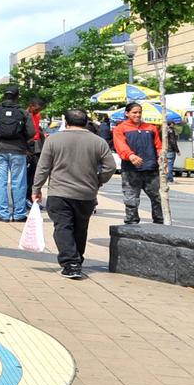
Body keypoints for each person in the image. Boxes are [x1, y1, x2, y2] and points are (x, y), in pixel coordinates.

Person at [33, 107, 120, 279]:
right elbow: (110, 166)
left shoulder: (53, 140)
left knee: (63, 227)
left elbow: (43, 167)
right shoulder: (98, 141)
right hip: (86, 193)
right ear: (86, 121)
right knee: (81, 228)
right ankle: (76, 260)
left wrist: (36, 188)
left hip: (59, 192)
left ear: (66, 121)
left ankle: (71, 263)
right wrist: (98, 180)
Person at [0, 87, 35, 222]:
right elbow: (32, 132)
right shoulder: (23, 113)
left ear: (4, 96)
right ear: (17, 96)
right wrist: (22, 140)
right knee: (18, 182)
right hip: (18, 151)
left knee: (0, 182)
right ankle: (19, 214)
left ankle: (3, 214)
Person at [111, 106, 165, 224]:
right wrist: (130, 155)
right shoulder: (120, 129)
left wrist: (161, 155)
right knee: (131, 198)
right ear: (127, 113)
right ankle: (132, 221)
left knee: (157, 197)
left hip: (151, 168)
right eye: (134, 112)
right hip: (131, 169)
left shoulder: (151, 128)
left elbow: (158, 145)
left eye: (139, 112)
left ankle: (159, 220)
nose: (137, 115)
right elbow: (120, 145)